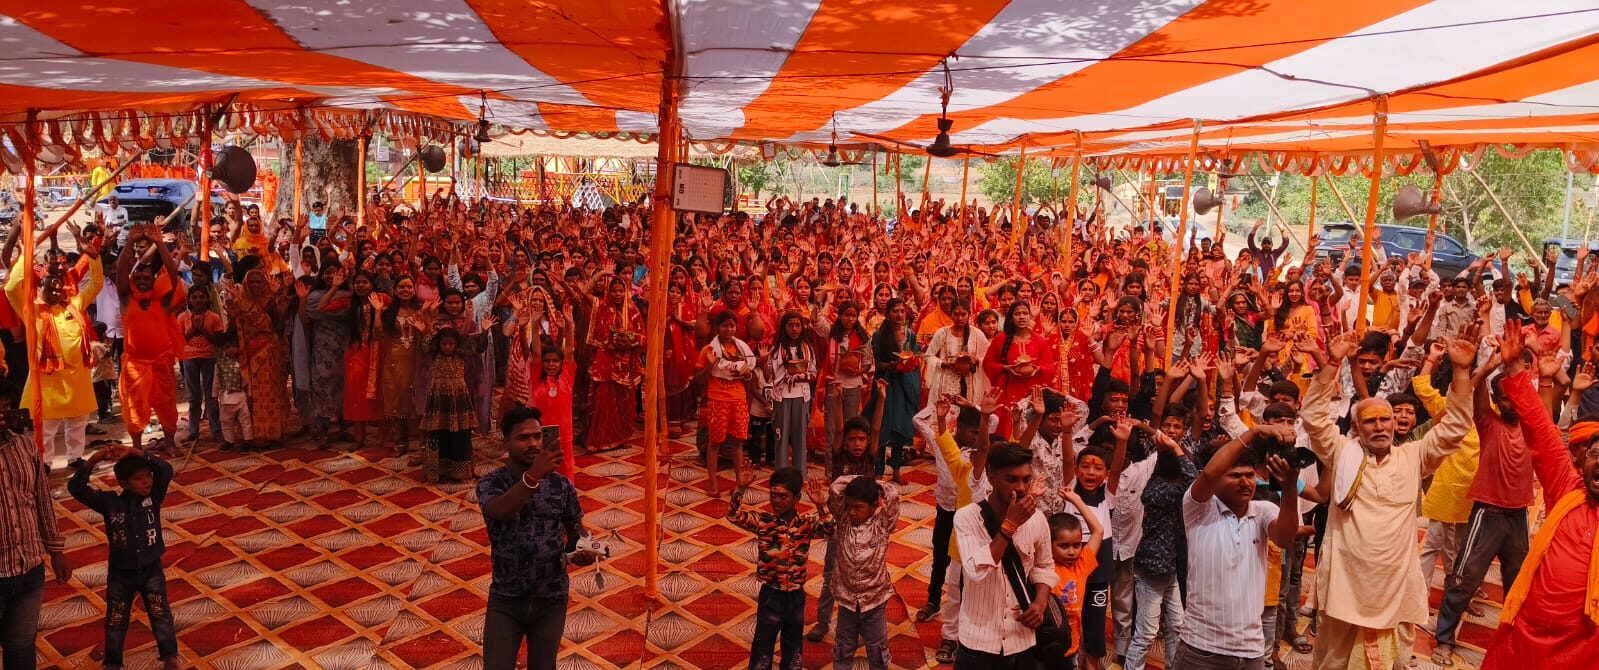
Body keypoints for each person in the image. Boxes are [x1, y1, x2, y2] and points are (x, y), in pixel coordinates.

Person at [1298, 332, 1478, 670]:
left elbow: (1455, 427)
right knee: (1335, 662)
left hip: (1395, 588)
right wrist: (1333, 363)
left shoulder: (1415, 456)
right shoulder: (1341, 453)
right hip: (1346, 587)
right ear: (1357, 427)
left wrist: (1461, 371)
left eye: (1386, 419)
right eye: (1370, 421)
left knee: (1393, 661)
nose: (1380, 426)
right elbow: (1314, 419)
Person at [1480, 334, 1598, 668]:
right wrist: (1515, 368)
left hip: (1583, 649)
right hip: (1525, 634)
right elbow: (1541, 431)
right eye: (1596, 453)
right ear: (1582, 462)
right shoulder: (1567, 488)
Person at [1180, 423, 1301, 670]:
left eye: (1249, 475)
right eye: (1235, 476)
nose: (1245, 482)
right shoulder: (1199, 509)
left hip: (1251, 651)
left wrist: (1289, 488)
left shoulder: (1264, 511)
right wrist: (1254, 432)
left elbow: (1285, 537)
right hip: (1202, 648)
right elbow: (1209, 474)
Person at [478, 406, 586, 670]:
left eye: (538, 436)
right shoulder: (491, 483)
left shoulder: (561, 485)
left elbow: (576, 532)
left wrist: (582, 550)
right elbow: (501, 511)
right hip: (507, 598)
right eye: (523, 438)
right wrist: (534, 476)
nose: (533, 444)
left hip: (551, 597)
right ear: (506, 442)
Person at [67, 445, 179, 670]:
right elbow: (76, 488)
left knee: (160, 613)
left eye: (148, 476)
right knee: (116, 619)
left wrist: (135, 452)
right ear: (123, 483)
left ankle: (170, 657)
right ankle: (113, 663)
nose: (147, 482)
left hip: (151, 568)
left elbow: (165, 469)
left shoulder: (154, 496)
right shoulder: (110, 502)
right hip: (121, 573)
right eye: (139, 479)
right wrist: (94, 460)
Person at [953, 441, 1057, 669]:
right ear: (991, 476)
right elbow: (976, 572)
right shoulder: (966, 518)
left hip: (1022, 637)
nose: (1021, 488)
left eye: (1026, 479)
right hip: (979, 641)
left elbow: (1044, 566)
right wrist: (1010, 525)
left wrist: (1040, 603)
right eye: (1011, 479)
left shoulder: (1038, 519)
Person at [728, 467, 833, 670]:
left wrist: (821, 506)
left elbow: (830, 530)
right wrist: (740, 488)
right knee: (763, 644)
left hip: (796, 596)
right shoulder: (764, 521)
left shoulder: (806, 524)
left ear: (797, 498)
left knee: (793, 644)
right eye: (773, 494)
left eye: (783, 496)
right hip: (771, 594)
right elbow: (733, 515)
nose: (776, 501)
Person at [0, 387, 71, 670]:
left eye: (5, 406)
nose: (3, 414)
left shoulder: (25, 446)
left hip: (29, 567)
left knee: (21, 646)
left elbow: (41, 500)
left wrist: (56, 551)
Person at [116, 225, 185, 454]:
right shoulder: (127, 300)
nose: (143, 281)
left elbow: (173, 275)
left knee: (166, 404)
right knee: (134, 406)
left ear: (153, 280)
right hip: (135, 365)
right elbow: (120, 270)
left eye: (147, 278)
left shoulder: (162, 301)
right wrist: (129, 242)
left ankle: (170, 442)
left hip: (161, 362)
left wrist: (160, 245)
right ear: (133, 280)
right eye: (139, 278)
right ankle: (137, 447)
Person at [826, 475, 901, 670]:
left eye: (858, 507)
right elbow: (835, 487)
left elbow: (892, 493)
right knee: (843, 647)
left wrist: (873, 483)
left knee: (877, 651)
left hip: (874, 601)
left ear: (875, 505)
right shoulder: (844, 521)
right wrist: (860, 480)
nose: (852, 512)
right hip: (847, 601)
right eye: (849, 506)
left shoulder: (882, 524)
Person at [1048, 487, 1106, 670]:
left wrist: (1076, 500)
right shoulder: (1045, 565)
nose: (1072, 551)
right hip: (1044, 649)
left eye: (1077, 545)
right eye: (1064, 546)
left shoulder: (1081, 565)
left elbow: (1098, 531)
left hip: (1070, 648)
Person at [176, 288, 223, 445]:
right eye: (194, 297)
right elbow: (179, 340)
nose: (198, 300)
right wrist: (193, 329)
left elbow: (218, 341)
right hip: (189, 358)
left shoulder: (214, 317)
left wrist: (203, 329)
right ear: (189, 300)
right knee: (193, 397)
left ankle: (216, 430)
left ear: (207, 299)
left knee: (212, 396)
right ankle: (193, 431)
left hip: (209, 357)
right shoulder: (182, 317)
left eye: (201, 297)